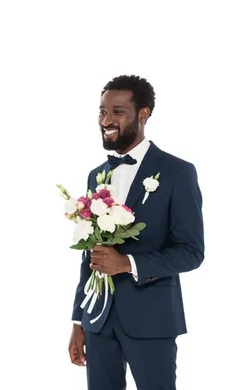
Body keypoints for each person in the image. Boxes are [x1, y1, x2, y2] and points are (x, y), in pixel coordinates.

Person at [68, 75, 204, 389]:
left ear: (142, 114)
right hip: (98, 322)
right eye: (102, 111)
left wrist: (128, 264)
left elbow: (192, 252)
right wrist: (79, 320)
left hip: (151, 319)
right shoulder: (96, 175)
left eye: (117, 111)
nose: (106, 120)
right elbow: (90, 255)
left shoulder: (177, 172)